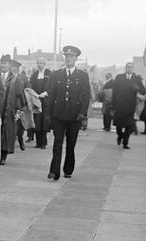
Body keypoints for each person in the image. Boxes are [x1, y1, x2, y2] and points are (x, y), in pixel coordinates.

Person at [46, 46, 91, 181]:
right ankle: (54, 171)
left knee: (71, 144)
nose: (69, 59)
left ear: (76, 59)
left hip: (74, 116)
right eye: (67, 56)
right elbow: (51, 95)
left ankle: (68, 169)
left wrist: (82, 113)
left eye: (71, 57)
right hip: (58, 115)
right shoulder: (56, 74)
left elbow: (86, 95)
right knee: (57, 143)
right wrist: (48, 114)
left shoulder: (82, 75)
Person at [0, 54, 25, 165]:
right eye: (2, 63)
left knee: (6, 133)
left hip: (9, 110)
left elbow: (20, 95)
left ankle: (3, 156)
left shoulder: (15, 78)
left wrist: (19, 112)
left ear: (9, 65)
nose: (3, 65)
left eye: (6, 63)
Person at [112, 62, 146, 150]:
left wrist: (137, 88)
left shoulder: (136, 79)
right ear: (125, 68)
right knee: (118, 125)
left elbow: (143, 91)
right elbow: (114, 92)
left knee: (129, 125)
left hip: (130, 107)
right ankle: (120, 136)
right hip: (119, 106)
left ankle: (125, 143)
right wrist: (113, 105)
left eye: (131, 67)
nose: (129, 68)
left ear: (133, 69)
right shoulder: (119, 77)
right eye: (128, 67)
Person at [29, 58, 51, 149]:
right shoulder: (34, 75)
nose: (39, 65)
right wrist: (34, 94)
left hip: (45, 101)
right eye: (38, 63)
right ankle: (38, 143)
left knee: (44, 122)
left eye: (41, 63)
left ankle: (43, 143)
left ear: (44, 64)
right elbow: (31, 86)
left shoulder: (49, 74)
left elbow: (52, 86)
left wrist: (45, 93)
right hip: (36, 100)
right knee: (37, 121)